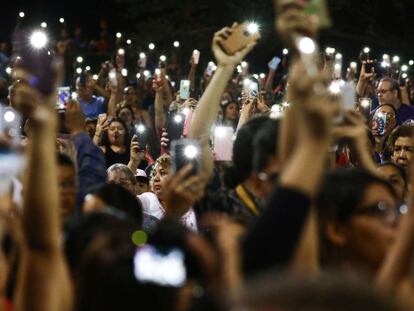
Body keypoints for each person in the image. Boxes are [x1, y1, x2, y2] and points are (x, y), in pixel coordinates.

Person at [317, 169, 400, 276]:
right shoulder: (319, 291)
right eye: (381, 210)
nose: (397, 222)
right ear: (337, 230)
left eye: (396, 210)